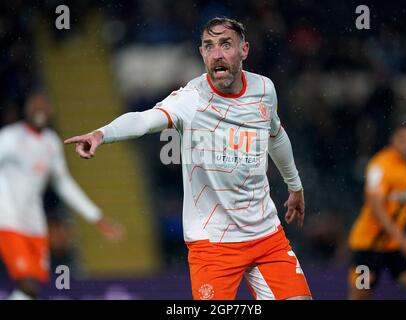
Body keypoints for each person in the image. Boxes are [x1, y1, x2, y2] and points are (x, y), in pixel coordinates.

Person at [65, 17, 311, 300]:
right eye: (209, 46)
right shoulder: (191, 98)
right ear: (201, 54)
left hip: (267, 236)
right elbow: (144, 120)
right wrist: (102, 133)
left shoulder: (264, 90)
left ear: (244, 50)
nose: (217, 53)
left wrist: (295, 186)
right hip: (213, 244)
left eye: (226, 45)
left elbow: (276, 136)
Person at [0, 92, 123, 300]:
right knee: (28, 283)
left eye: (44, 105)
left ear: (51, 111)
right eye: (35, 105)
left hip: (34, 223)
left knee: (31, 290)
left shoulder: (51, 143)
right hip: (8, 219)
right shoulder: (10, 137)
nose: (40, 109)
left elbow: (63, 183)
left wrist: (97, 217)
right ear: (26, 109)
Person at [348, 116, 406, 299]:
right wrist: (403, 239)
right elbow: (377, 209)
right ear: (394, 140)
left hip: (395, 246)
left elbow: (404, 205)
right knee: (361, 294)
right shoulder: (379, 166)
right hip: (369, 245)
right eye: (403, 140)